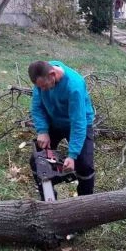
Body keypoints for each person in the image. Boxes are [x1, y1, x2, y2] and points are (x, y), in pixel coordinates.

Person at [28, 60, 96, 199]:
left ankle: (86, 203)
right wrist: (43, 131)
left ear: (53, 74)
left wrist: (72, 155)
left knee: (84, 165)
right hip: (55, 120)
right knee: (37, 159)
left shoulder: (74, 86)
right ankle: (48, 198)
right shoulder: (41, 78)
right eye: (40, 87)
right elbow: (37, 107)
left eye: (45, 86)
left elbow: (78, 122)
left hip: (78, 123)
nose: (43, 90)